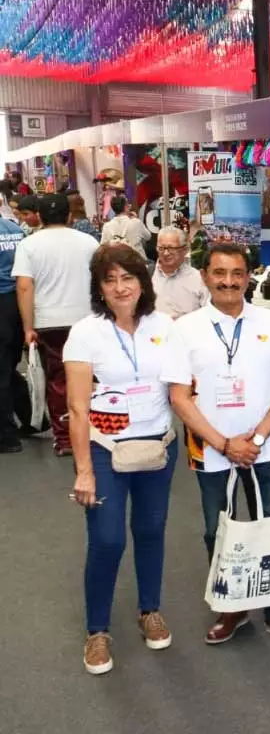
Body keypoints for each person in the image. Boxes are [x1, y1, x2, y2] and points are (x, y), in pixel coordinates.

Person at [161, 243, 270, 645]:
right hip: (212, 448)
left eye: (237, 273)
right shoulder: (185, 329)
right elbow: (179, 397)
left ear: (249, 276)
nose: (229, 282)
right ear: (206, 276)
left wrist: (257, 437)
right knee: (217, 530)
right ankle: (231, 607)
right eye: (220, 273)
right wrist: (226, 444)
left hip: (267, 447)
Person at [64, 244, 178, 675]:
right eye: (109, 280)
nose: (119, 287)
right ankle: (97, 631)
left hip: (157, 446)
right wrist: (84, 471)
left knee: (151, 530)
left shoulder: (165, 326)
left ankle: (150, 609)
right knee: (108, 539)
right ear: (99, 287)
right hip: (105, 448)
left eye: (127, 278)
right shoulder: (85, 332)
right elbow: (77, 407)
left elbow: (183, 387)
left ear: (142, 281)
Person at [13, 194, 100, 456]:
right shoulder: (89, 243)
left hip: (48, 322)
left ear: (39, 215)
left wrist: (28, 327)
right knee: (90, 378)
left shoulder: (29, 245)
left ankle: (64, 439)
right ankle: (94, 432)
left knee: (56, 381)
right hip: (86, 319)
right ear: (70, 215)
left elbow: (25, 286)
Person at [0, 211, 25, 452]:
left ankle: (7, 437)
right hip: (17, 301)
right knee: (8, 367)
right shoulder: (15, 229)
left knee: (2, 373)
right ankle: (32, 418)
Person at [151, 225, 207, 319]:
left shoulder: (198, 279)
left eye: (171, 248)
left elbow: (208, 314)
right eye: (161, 248)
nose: (166, 253)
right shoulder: (147, 276)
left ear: (184, 250)